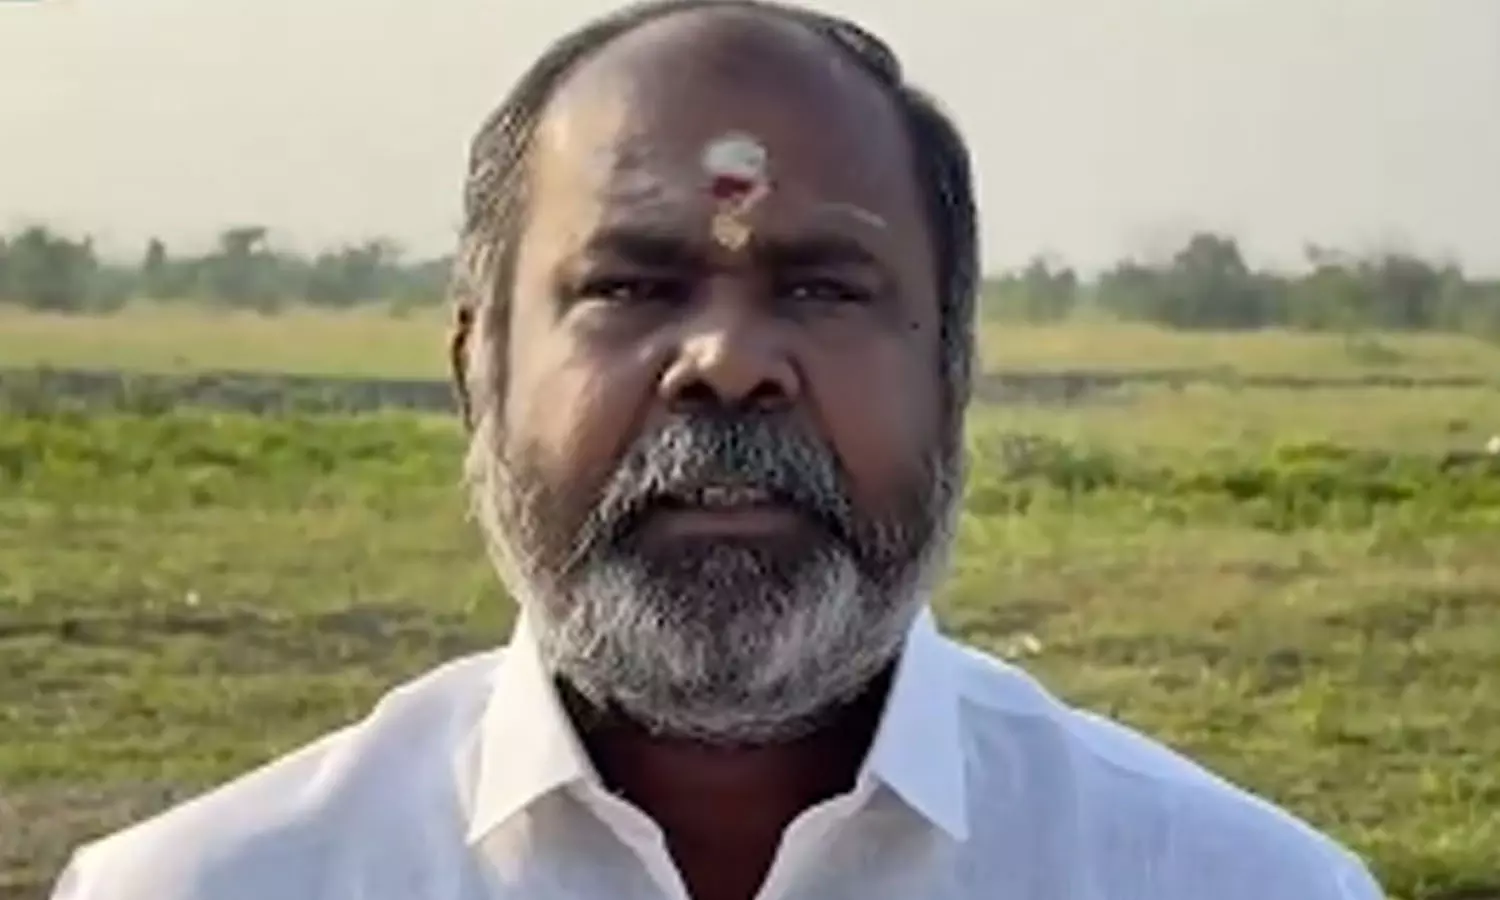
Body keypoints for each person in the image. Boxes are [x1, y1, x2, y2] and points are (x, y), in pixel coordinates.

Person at [50, 2, 1386, 898]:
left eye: (823, 289)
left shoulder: (1237, 883)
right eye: (630, 286)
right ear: (478, 373)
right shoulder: (205, 888)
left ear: (953, 376)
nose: (729, 361)